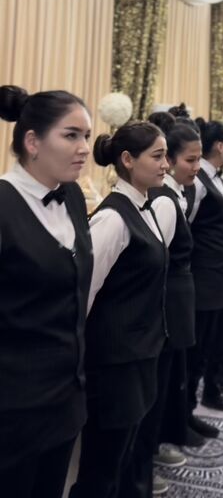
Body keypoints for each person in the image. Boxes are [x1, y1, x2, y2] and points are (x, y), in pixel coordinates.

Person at [0, 85, 93, 498]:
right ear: (33, 142)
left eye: (86, 136)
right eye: (71, 135)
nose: (84, 148)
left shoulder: (72, 196)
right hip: (12, 411)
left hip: (65, 401)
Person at [70, 121, 168, 498]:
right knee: (100, 470)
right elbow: (82, 294)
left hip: (139, 356)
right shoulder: (112, 218)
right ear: (127, 159)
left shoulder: (145, 208)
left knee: (121, 460)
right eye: (157, 156)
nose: (165, 164)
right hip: (114, 365)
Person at [118, 112, 202, 498]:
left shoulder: (170, 195)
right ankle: (139, 471)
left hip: (168, 310)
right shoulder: (163, 201)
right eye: (162, 156)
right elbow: (155, 263)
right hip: (160, 312)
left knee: (161, 390)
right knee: (148, 399)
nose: (167, 164)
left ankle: (146, 463)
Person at [187, 120, 223, 422]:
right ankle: (184, 414)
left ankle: (192, 409)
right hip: (201, 275)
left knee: (208, 343)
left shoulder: (216, 177)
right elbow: (187, 225)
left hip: (216, 273)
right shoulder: (199, 180)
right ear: (218, 145)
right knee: (196, 348)